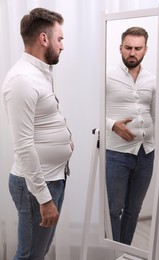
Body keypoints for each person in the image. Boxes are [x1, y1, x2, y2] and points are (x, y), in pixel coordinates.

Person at [1, 8, 73, 259]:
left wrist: (66, 139)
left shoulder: (41, 73)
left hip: (53, 177)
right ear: (44, 39)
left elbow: (43, 119)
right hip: (36, 186)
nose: (62, 46)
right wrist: (44, 199)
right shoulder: (22, 80)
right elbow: (23, 146)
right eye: (60, 39)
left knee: (38, 252)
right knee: (29, 255)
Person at [106, 27, 155, 245]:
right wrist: (112, 125)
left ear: (145, 50)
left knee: (134, 210)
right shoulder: (107, 75)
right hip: (117, 153)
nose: (132, 52)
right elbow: (90, 109)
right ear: (120, 48)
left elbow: (155, 114)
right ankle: (113, 253)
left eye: (137, 48)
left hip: (146, 154)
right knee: (113, 209)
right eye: (128, 48)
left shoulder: (152, 80)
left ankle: (125, 251)